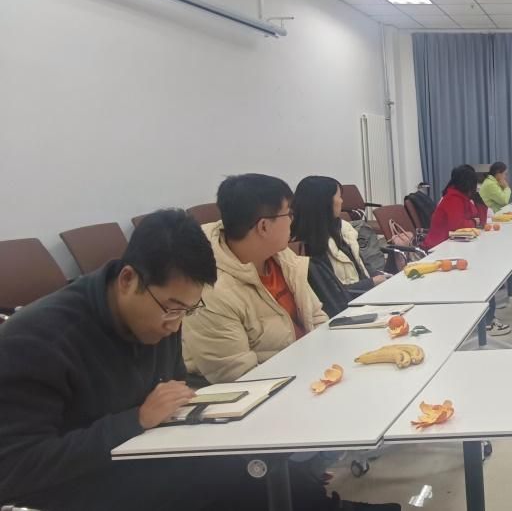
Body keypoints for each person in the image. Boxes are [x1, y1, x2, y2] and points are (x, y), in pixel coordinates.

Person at [0, 210, 395, 510]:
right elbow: (14, 469)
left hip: (141, 448)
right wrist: (134, 420)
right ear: (128, 280)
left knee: (252, 458)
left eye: (187, 311)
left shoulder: (160, 315)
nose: (175, 325)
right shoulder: (37, 340)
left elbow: (171, 391)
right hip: (79, 482)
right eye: (171, 309)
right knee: (229, 475)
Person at [184, 174, 328, 385]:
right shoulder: (211, 292)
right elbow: (240, 377)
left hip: (312, 371)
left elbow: (316, 317)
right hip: (275, 389)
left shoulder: (281, 256)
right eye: (289, 214)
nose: (292, 220)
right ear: (263, 227)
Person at [292, 176, 387, 315]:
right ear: (325, 202)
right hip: (348, 311)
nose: (342, 201)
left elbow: (364, 269)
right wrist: (372, 283)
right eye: (339, 196)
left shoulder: (342, 230)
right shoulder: (308, 247)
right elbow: (331, 296)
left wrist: (394, 263)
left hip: (366, 299)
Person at [421, 164, 488, 251]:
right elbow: (458, 226)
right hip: (439, 246)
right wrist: (474, 222)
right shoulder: (452, 198)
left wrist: (479, 203)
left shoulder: (463, 197)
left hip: (454, 243)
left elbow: (481, 221)